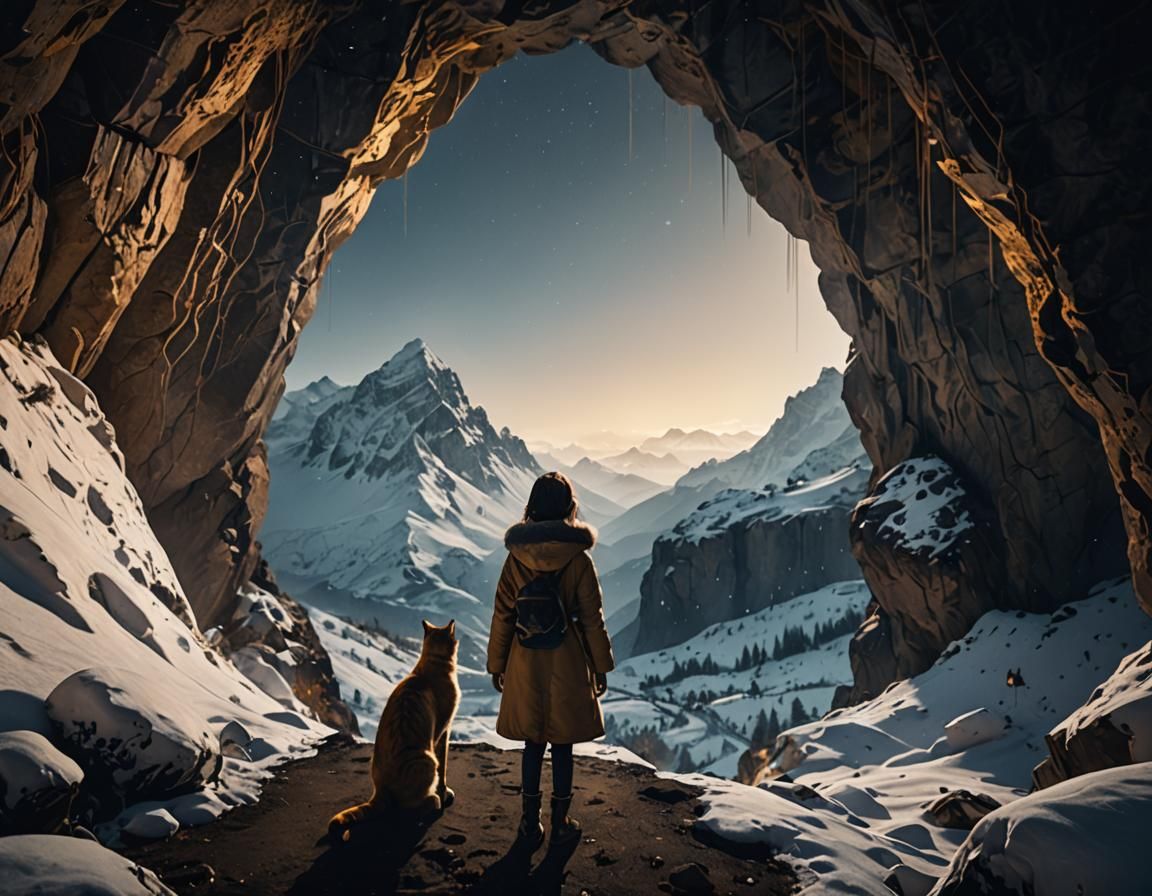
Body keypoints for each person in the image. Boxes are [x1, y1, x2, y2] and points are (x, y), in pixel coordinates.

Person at [487, 472, 615, 851]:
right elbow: (592, 617)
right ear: (568, 507)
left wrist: (498, 664)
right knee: (561, 744)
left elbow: (503, 614)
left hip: (524, 658)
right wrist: (601, 666)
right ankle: (560, 822)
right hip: (568, 661)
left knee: (532, 742)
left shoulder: (515, 558)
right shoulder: (579, 559)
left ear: (531, 506)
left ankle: (529, 822)